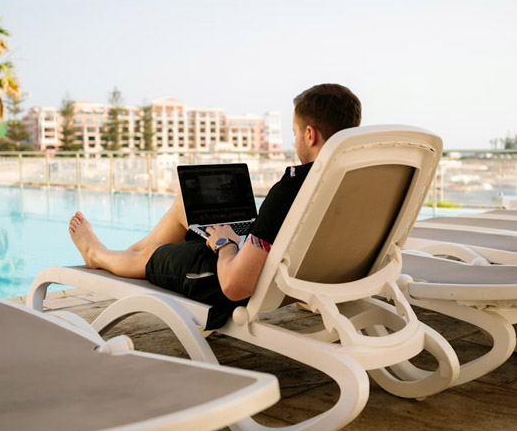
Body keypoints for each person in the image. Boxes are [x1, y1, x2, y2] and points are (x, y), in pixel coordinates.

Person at [69, 83, 362, 328]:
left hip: (227, 279)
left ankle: (99, 254)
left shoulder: (292, 189)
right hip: (305, 274)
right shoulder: (360, 183)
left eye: (295, 133)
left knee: (156, 255)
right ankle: (128, 256)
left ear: (310, 134)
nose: (295, 141)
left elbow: (235, 285)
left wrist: (225, 243)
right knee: (184, 206)